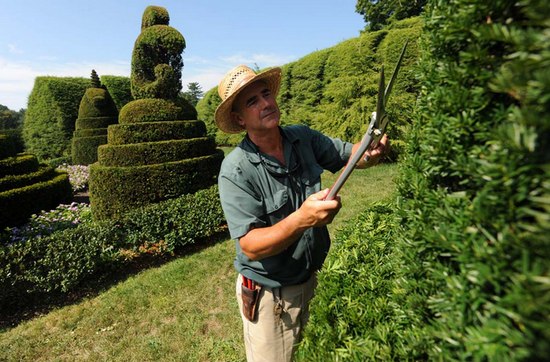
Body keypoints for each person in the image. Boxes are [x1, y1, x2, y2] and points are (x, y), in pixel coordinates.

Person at [215, 65, 388, 362]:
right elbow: (251, 246)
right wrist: (301, 219)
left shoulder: (302, 137)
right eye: (252, 101)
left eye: (266, 93)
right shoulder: (235, 170)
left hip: (312, 278)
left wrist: (369, 150)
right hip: (272, 296)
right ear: (239, 119)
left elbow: (349, 154)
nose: (266, 103)